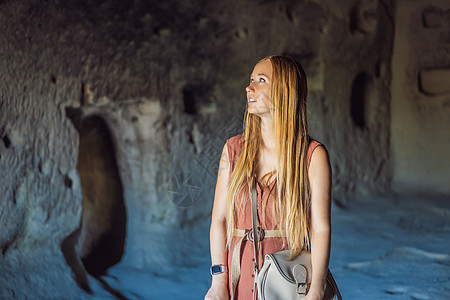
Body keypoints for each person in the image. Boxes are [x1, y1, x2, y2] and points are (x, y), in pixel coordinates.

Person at [204, 55, 332, 300]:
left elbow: (321, 229)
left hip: (286, 283)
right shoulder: (233, 149)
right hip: (237, 280)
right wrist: (218, 282)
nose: (249, 87)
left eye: (261, 80)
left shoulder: (312, 156)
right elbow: (219, 219)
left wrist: (317, 289)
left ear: (285, 90)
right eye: (251, 79)